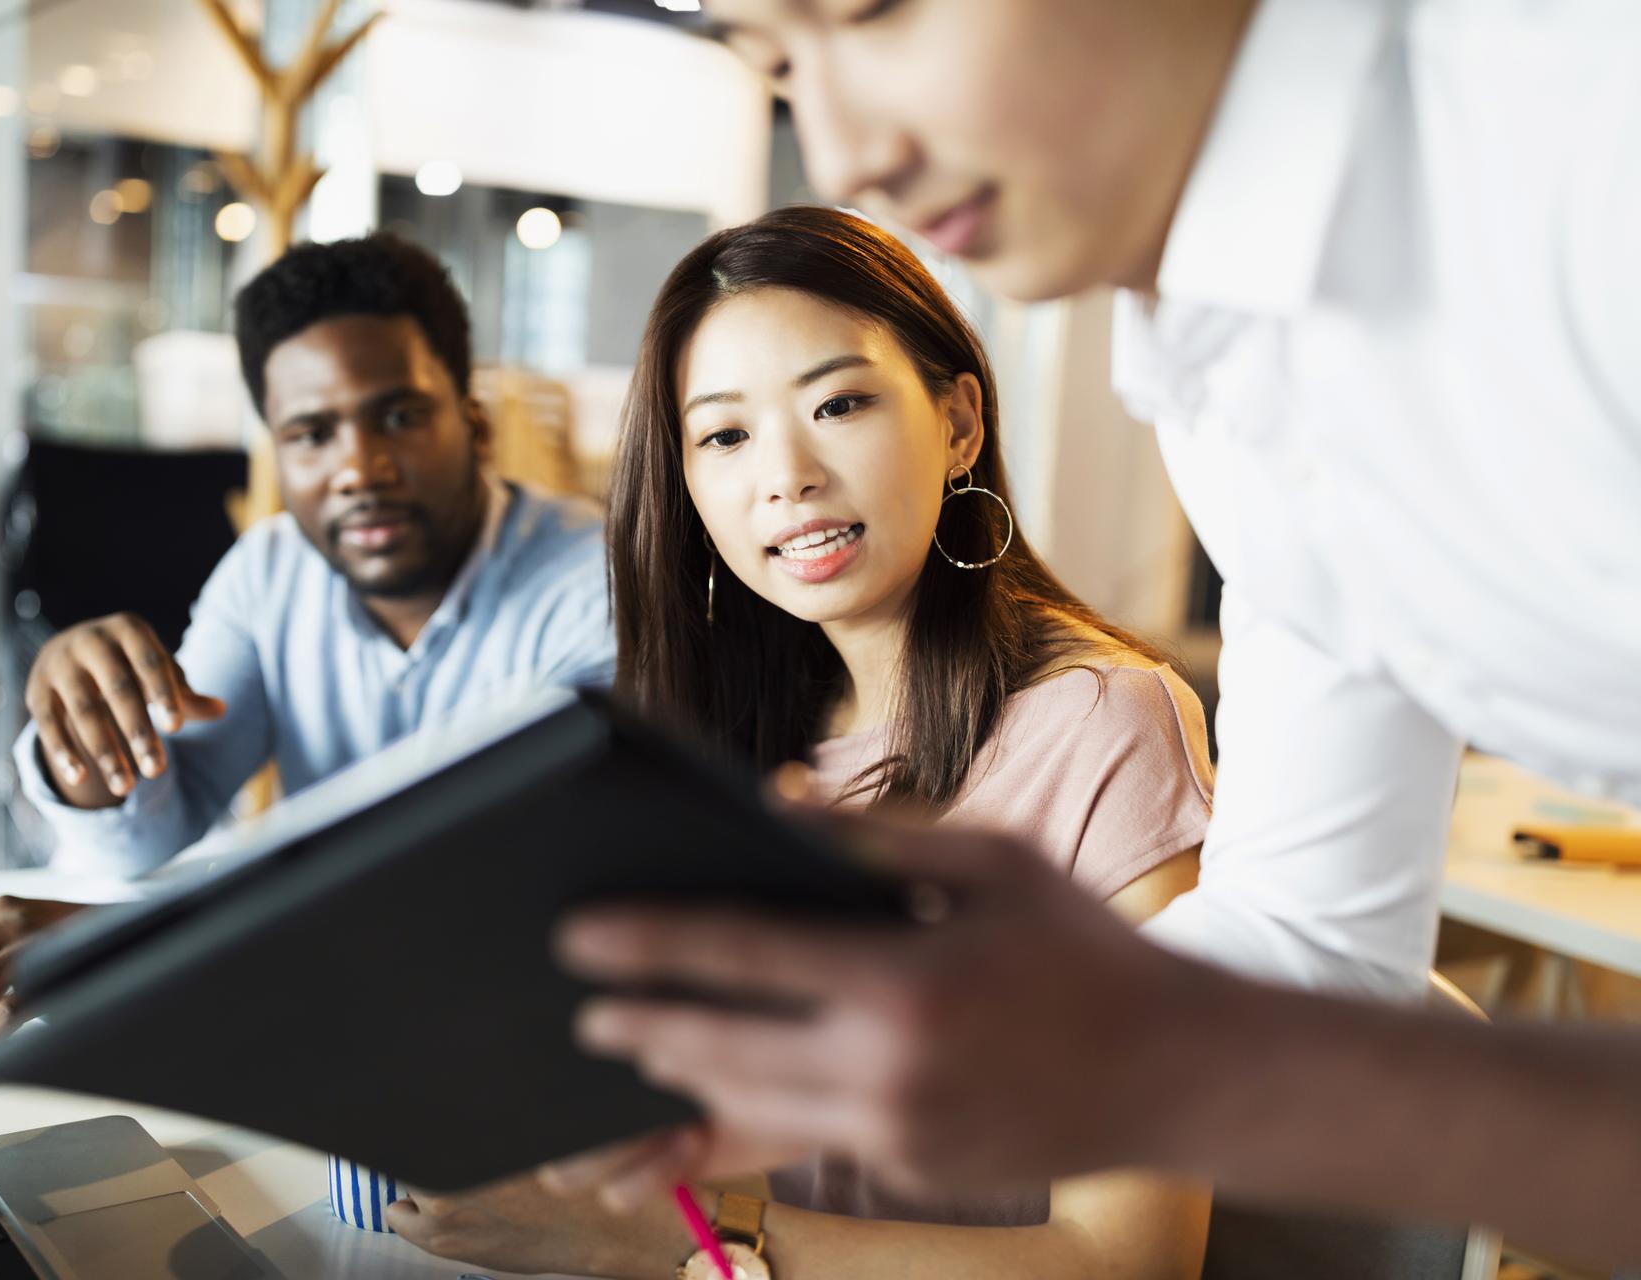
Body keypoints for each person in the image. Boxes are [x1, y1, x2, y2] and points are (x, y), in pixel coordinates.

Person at [543, 0, 1641, 1263]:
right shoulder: (1224, 391)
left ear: (958, 421)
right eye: (782, 61)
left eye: (872, 11)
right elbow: (1316, 946)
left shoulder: (1579, 127)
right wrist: (1111, 1038)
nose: (847, 155)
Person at [390, 206, 1213, 1279]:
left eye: (839, 402)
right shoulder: (718, 734)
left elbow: (1136, 1259)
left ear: (959, 421)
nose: (787, 474)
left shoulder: (1103, 721)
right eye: (725, 435)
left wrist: (661, 1243)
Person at [0, 233, 613, 1047]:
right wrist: (88, 735)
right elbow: (150, 833)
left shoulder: (593, 590)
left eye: (401, 416)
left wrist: (144, 936)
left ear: (475, 424)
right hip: (311, 1032)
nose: (359, 468)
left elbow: (510, 893)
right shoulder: (272, 570)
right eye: (313, 433)